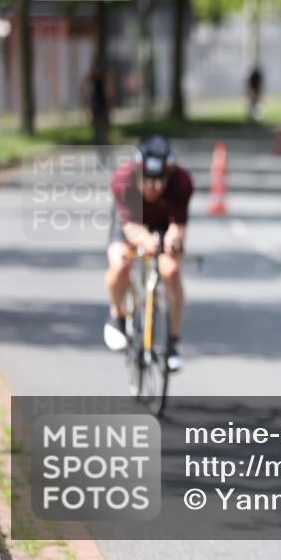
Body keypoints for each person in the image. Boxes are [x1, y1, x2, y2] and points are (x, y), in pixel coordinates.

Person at [103, 135, 194, 371]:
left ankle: (172, 342)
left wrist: (173, 239)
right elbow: (130, 228)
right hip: (130, 222)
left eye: (160, 180)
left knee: (171, 271)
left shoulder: (182, 181)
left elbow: (179, 226)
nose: (154, 187)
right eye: (148, 179)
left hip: (163, 224)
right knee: (120, 265)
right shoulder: (123, 179)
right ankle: (117, 315)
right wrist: (145, 240)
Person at [83, 63, 113, 146]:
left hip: (101, 102)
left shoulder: (104, 76)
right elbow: (84, 86)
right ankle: (100, 141)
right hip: (97, 103)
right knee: (98, 125)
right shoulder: (95, 76)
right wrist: (86, 102)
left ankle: (103, 142)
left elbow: (110, 91)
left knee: (103, 126)